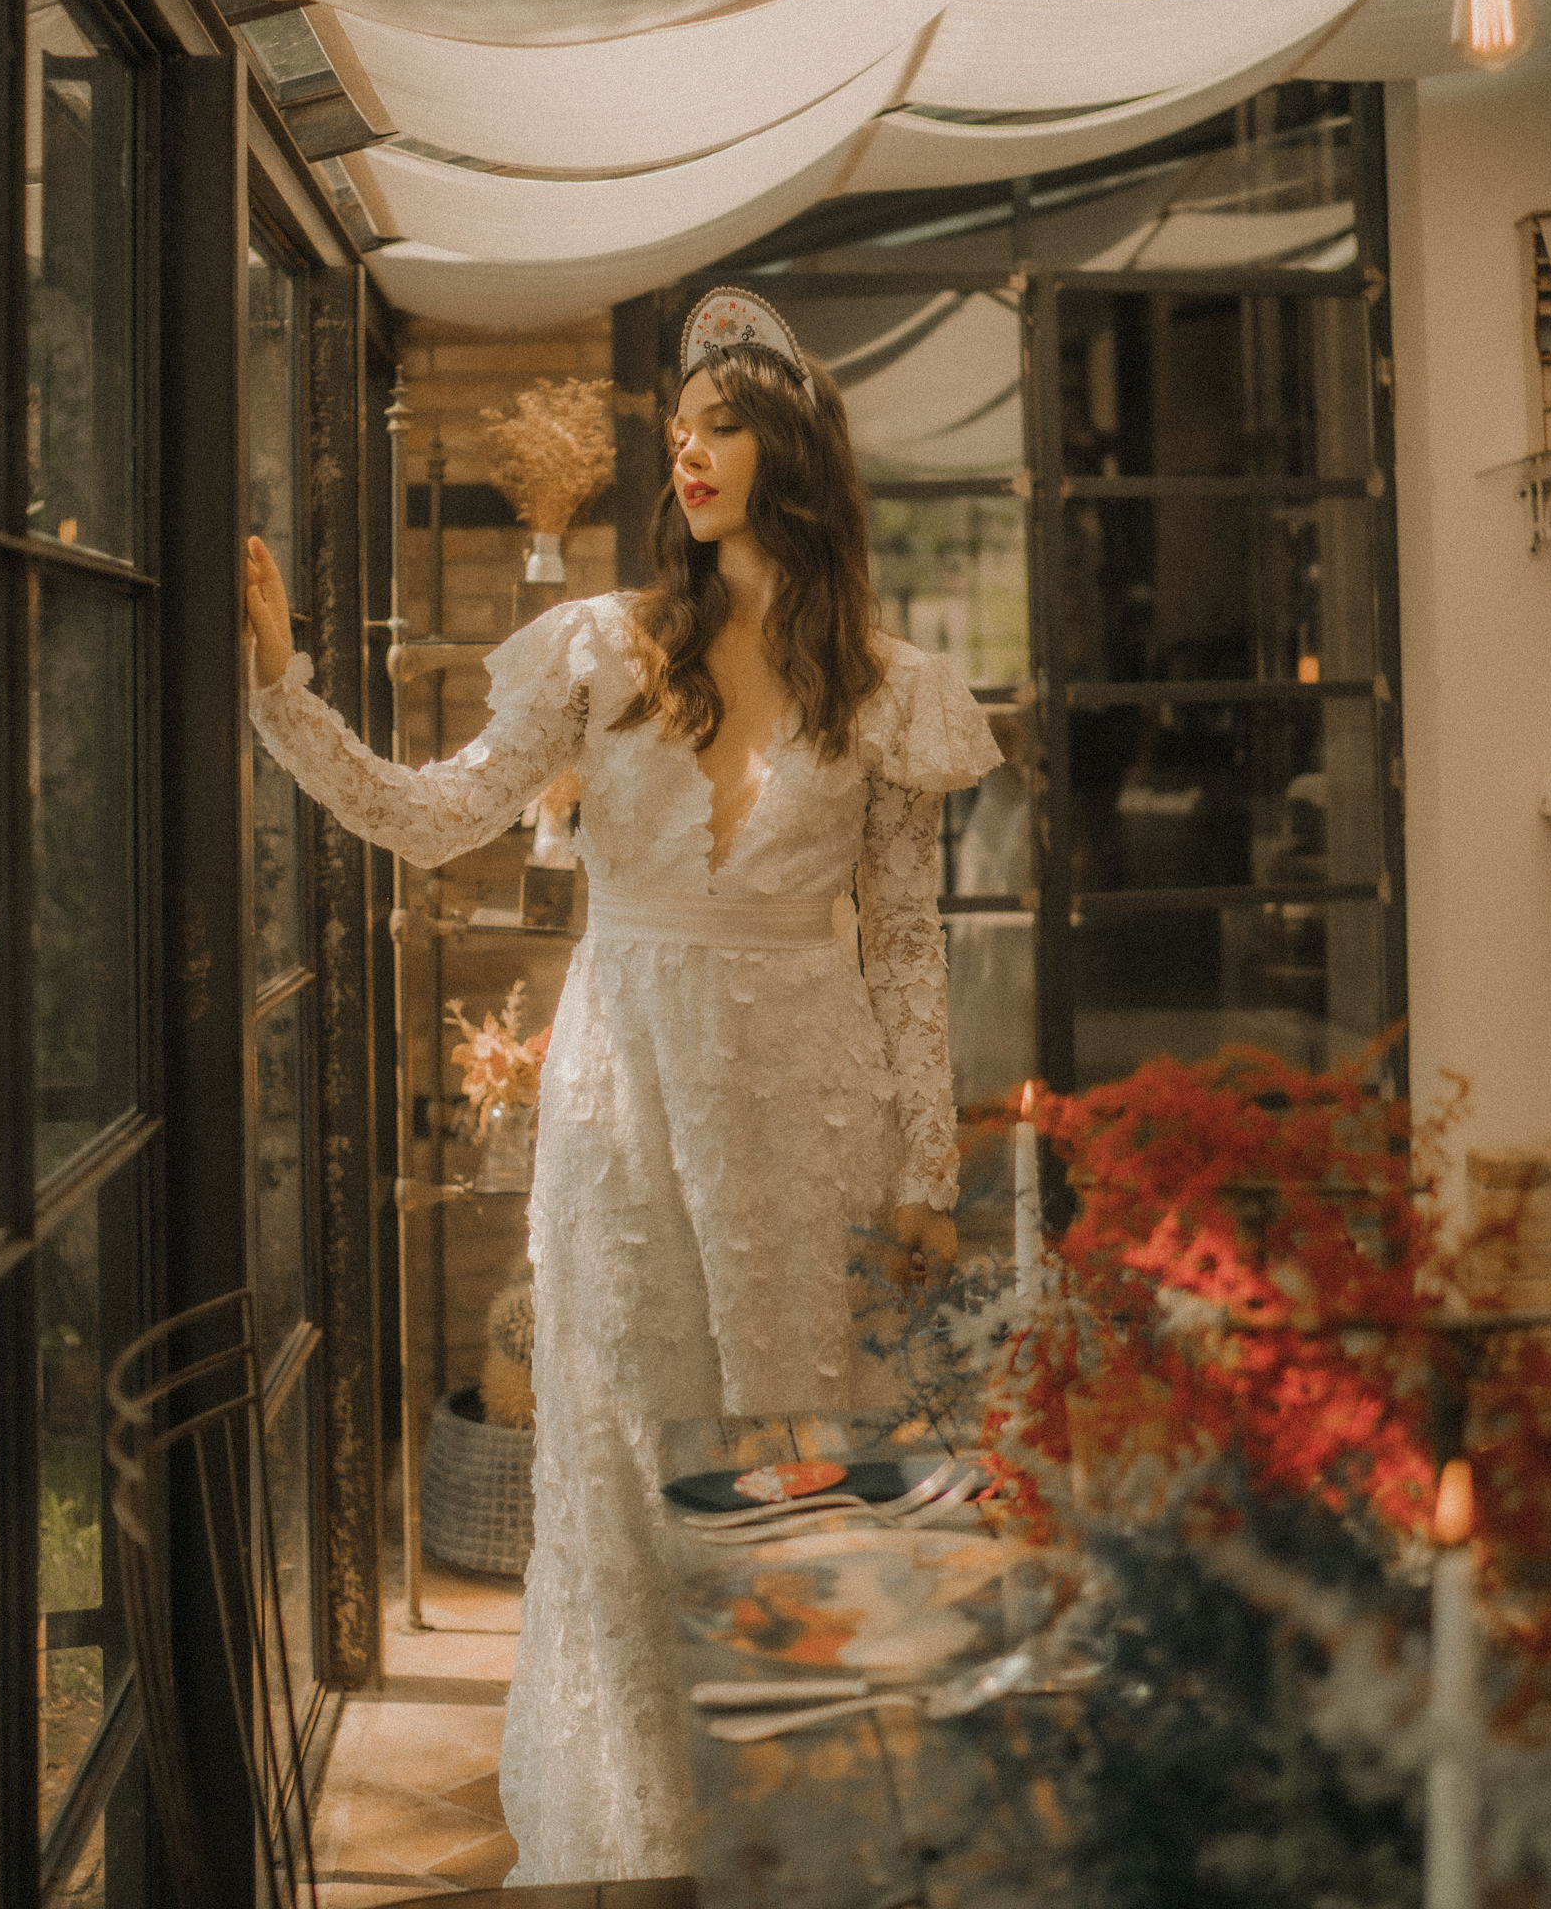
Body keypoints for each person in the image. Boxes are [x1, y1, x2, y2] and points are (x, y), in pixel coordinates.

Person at [244, 288, 1001, 1884]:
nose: (688, 447)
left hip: (812, 1105)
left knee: (802, 1442)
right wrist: (282, 692)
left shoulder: (884, 682)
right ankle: (638, 1807)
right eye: (682, 426)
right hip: (624, 1096)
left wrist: (928, 1174)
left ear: (789, 450)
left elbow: (911, 948)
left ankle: (801, 1807)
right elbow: (435, 814)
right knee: (621, 1431)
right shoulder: (601, 648)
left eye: (721, 422)